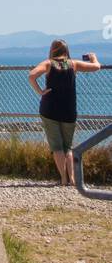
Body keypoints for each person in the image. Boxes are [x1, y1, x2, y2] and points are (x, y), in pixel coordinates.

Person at [28, 39, 101, 185]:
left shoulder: (48, 63)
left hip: (49, 110)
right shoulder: (73, 64)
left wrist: (40, 92)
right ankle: (72, 179)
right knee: (68, 147)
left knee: (57, 146)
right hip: (68, 110)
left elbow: (32, 75)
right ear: (66, 50)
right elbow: (96, 67)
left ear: (52, 50)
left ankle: (63, 178)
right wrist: (93, 57)